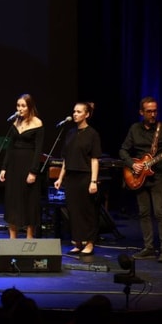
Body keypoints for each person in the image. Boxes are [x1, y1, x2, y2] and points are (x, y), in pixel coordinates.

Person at [118, 96, 162, 263]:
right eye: (149, 111)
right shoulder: (134, 129)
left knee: (159, 212)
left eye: (155, 111)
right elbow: (123, 150)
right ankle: (149, 248)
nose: (153, 114)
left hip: (158, 176)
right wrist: (133, 164)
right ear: (141, 112)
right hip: (139, 176)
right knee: (143, 213)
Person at [53, 102, 102, 255]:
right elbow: (66, 159)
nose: (75, 114)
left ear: (86, 114)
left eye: (79, 112)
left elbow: (95, 159)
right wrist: (60, 178)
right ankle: (78, 242)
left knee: (86, 211)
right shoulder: (70, 133)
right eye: (74, 111)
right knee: (73, 211)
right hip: (71, 177)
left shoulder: (92, 134)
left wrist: (93, 181)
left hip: (85, 176)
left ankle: (89, 242)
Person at [0, 93, 44, 239]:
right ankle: (13, 237)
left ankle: (29, 237)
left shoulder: (37, 123)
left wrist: (33, 171)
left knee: (29, 201)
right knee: (13, 200)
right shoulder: (15, 122)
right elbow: (9, 147)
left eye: (23, 106)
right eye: (18, 106)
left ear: (30, 106)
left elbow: (38, 150)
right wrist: (4, 167)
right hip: (14, 166)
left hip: (28, 165)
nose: (20, 109)